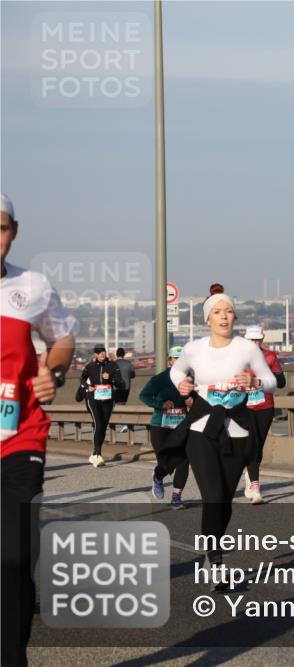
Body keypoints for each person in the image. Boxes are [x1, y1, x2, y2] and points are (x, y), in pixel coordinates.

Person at [1, 192, 76, 667]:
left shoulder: (32, 286)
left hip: (19, 435)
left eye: (0, 226)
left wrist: (54, 370)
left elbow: (62, 339)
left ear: (14, 231)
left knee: (13, 559)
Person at [166, 284, 276, 582]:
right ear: (207, 318)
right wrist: (181, 384)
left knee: (225, 500)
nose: (224, 316)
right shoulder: (194, 349)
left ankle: (209, 551)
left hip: (237, 431)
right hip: (202, 430)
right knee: (213, 496)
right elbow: (176, 371)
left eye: (228, 311)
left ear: (234, 316)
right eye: (217, 312)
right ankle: (216, 562)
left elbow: (271, 380)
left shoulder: (247, 348)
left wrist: (255, 383)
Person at [140, 345, 191, 509]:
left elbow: (200, 397)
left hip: (182, 425)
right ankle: (158, 477)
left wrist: (193, 400)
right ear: (170, 361)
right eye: (176, 358)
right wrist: (160, 404)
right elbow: (144, 396)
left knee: (183, 461)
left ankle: (176, 498)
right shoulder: (160, 379)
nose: (180, 362)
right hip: (160, 425)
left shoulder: (190, 379)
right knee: (165, 462)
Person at [241, 325, 285, 504]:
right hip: (243, 407)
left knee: (258, 447)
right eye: (251, 340)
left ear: (262, 340)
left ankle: (250, 476)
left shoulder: (270, 357)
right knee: (251, 445)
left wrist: (259, 382)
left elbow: (281, 382)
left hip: (265, 407)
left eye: (257, 340)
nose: (254, 343)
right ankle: (256, 489)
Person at [76, 345, 124, 467]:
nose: (101, 354)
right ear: (96, 355)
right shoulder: (90, 366)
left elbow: (120, 382)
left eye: (103, 352)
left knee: (103, 426)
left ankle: (94, 453)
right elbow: (81, 379)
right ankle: (98, 454)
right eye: (99, 352)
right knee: (98, 424)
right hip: (93, 399)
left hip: (108, 400)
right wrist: (88, 387)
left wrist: (110, 378)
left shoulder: (113, 365)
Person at [113, 347, 135, 431]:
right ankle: (124, 423)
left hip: (116, 388)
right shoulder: (129, 363)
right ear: (124, 354)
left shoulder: (113, 364)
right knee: (122, 404)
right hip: (126, 387)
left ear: (116, 354)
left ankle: (124, 423)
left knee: (117, 406)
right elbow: (133, 375)